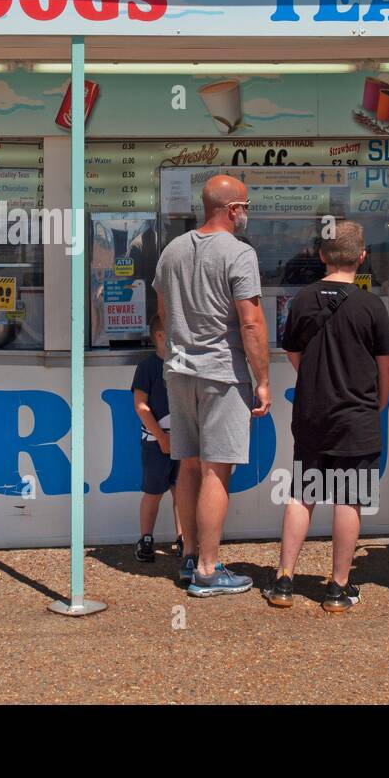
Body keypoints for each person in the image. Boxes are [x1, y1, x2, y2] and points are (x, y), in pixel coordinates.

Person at [263, 220, 389, 613]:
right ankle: (337, 588)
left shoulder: (302, 300)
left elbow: (293, 352)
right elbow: (385, 367)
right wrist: (377, 403)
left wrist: (315, 377)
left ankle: (283, 580)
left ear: (322, 256)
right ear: (362, 257)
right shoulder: (371, 305)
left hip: (312, 413)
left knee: (302, 494)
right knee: (349, 500)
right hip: (357, 416)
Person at [154, 174, 270, 597]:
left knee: (187, 464)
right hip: (222, 372)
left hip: (179, 370)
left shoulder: (171, 250)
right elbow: (251, 323)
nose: (247, 213)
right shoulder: (239, 253)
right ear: (232, 209)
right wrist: (263, 380)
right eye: (246, 206)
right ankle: (207, 569)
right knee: (215, 469)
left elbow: (163, 313)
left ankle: (189, 557)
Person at [131, 314, 183, 563]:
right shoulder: (147, 368)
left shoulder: (184, 365)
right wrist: (161, 437)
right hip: (155, 443)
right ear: (161, 336)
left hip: (184, 440)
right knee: (153, 492)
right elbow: (141, 406)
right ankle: (146, 538)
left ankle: (183, 537)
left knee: (182, 492)